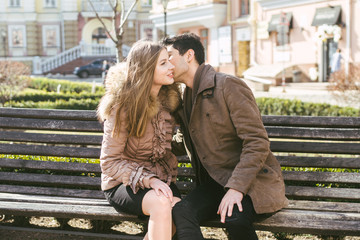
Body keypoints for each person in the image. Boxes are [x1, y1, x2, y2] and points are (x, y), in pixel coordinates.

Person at [163, 33, 288, 240]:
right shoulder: (184, 95)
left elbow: (257, 142)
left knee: (234, 217)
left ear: (189, 55)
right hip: (214, 184)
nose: (167, 63)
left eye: (169, 56)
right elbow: (185, 140)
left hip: (252, 183)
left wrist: (236, 188)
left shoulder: (227, 85)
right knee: (181, 212)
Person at [97, 40, 182, 240]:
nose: (171, 66)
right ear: (146, 69)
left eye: (169, 61)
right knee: (162, 204)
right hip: (123, 183)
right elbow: (109, 162)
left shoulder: (169, 102)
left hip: (162, 180)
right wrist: (149, 180)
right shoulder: (122, 105)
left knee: (182, 210)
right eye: (163, 63)